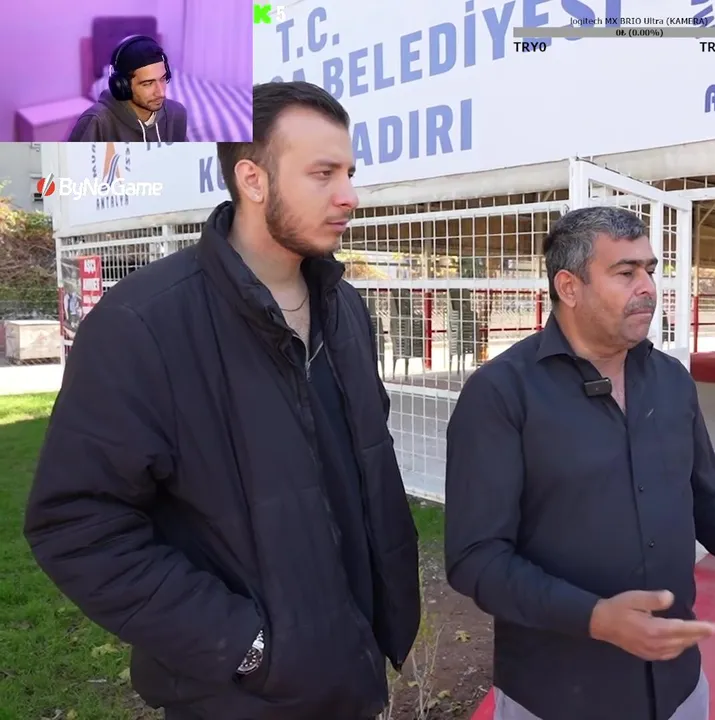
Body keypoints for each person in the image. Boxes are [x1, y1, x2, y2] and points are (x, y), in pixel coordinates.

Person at [25, 81, 420, 719]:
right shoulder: (143, 324)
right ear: (252, 180)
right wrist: (245, 646)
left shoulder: (345, 309)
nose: (349, 195)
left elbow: (360, 465)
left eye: (349, 173)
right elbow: (76, 523)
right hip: (240, 696)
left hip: (353, 669)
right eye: (323, 174)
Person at [444, 206, 715, 720]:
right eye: (625, 272)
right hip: (556, 694)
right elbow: (476, 559)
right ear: (569, 287)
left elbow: (705, 497)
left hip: (678, 687)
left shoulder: (671, 381)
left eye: (650, 270)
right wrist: (595, 618)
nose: (648, 287)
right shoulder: (501, 394)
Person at [67, 34, 188, 144]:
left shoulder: (176, 114)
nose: (161, 93)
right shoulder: (97, 122)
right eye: (147, 84)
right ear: (123, 85)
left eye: (163, 79)